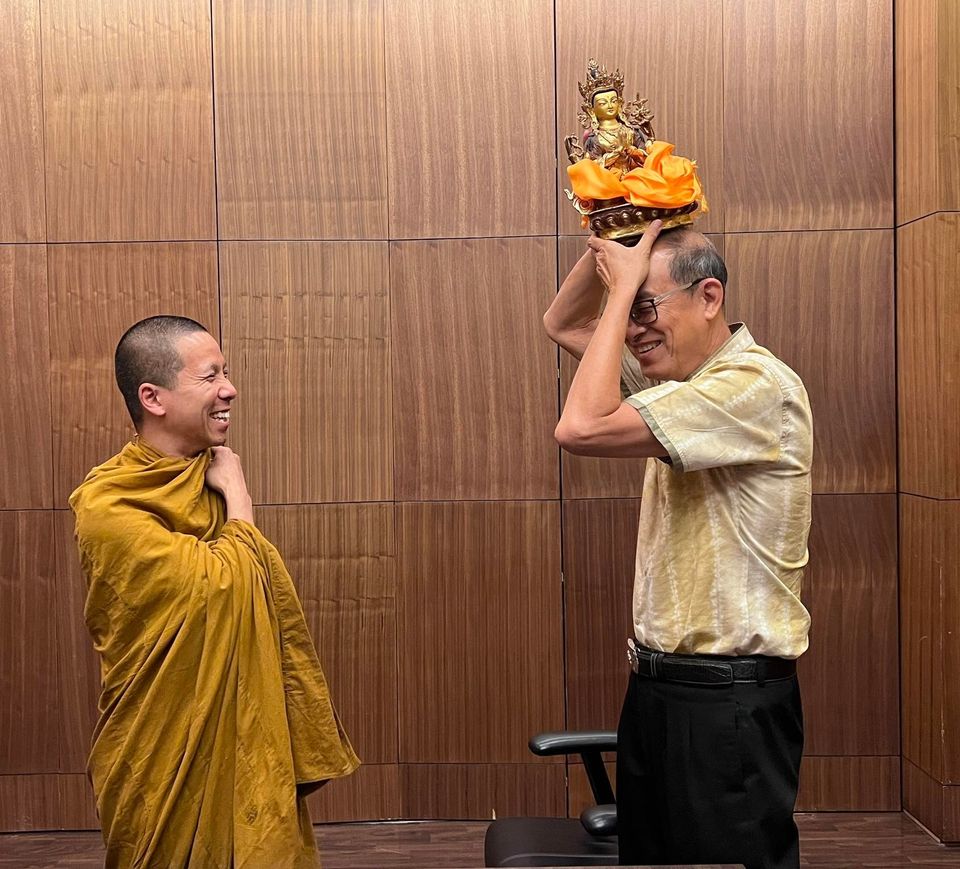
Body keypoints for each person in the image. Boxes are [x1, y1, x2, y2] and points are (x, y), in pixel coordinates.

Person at [544, 222, 812, 869]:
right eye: (630, 309)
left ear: (709, 296)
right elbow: (562, 321)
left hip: (726, 705)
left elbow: (580, 427)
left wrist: (622, 289)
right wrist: (617, 225)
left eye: (646, 307)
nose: (633, 328)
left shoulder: (752, 386)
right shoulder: (682, 391)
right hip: (659, 691)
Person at [70, 316, 359, 868]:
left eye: (226, 372)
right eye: (210, 377)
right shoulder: (109, 504)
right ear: (152, 398)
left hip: (245, 740)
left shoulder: (205, 478)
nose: (230, 389)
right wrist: (240, 500)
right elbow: (223, 586)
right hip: (159, 751)